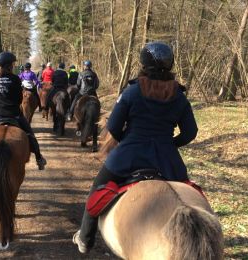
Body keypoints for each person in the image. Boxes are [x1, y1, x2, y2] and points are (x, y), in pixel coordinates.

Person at [72, 42, 198, 254]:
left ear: (143, 64)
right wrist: (170, 145)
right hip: (167, 159)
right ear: (170, 65)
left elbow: (112, 126)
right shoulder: (179, 96)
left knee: (97, 189)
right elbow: (190, 132)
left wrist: (125, 141)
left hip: (129, 155)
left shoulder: (132, 92)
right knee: (187, 195)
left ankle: (85, 238)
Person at [0, 52, 47, 175]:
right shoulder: (15, 79)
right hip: (14, 114)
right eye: (12, 64)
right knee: (30, 134)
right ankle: (39, 158)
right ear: (9, 65)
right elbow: (18, 99)